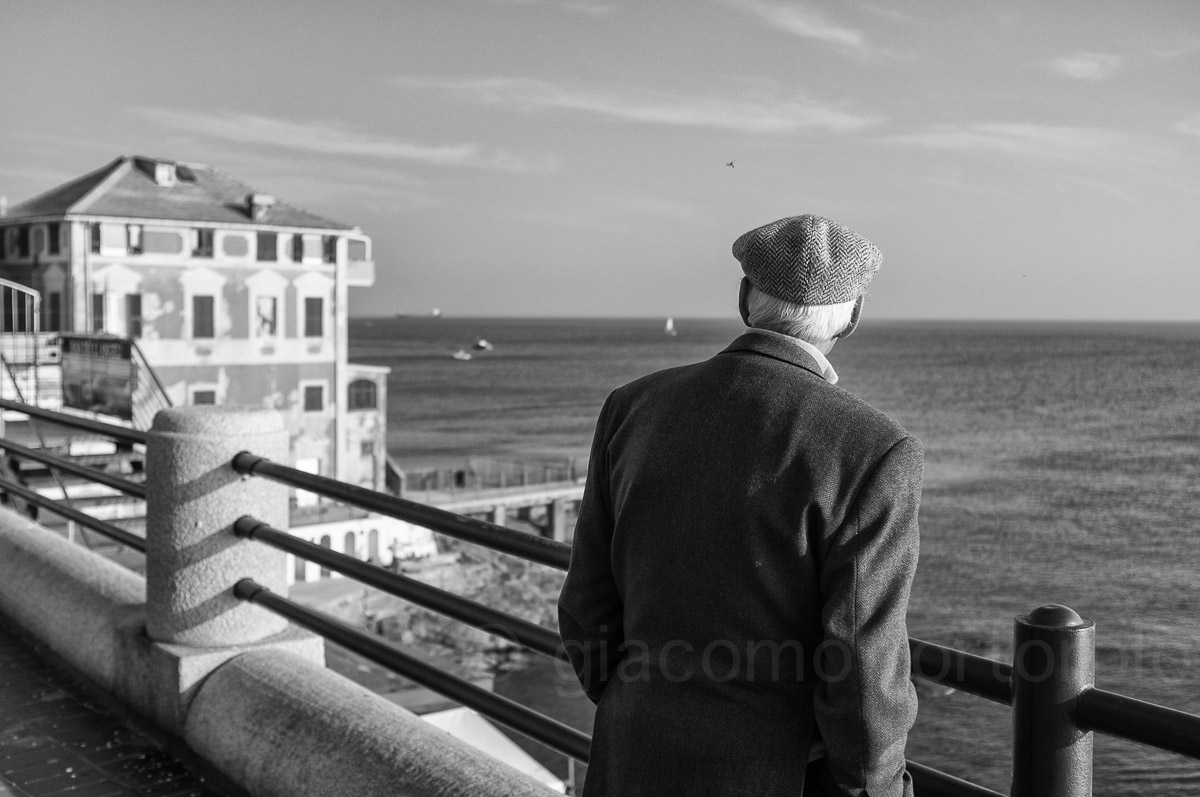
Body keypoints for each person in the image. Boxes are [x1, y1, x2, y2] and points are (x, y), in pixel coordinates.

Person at [558, 214, 922, 796]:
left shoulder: (633, 407)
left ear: (744, 298)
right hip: (769, 774)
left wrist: (638, 701)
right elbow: (862, 665)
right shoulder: (873, 449)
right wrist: (878, 789)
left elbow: (585, 605)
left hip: (633, 754)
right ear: (852, 317)